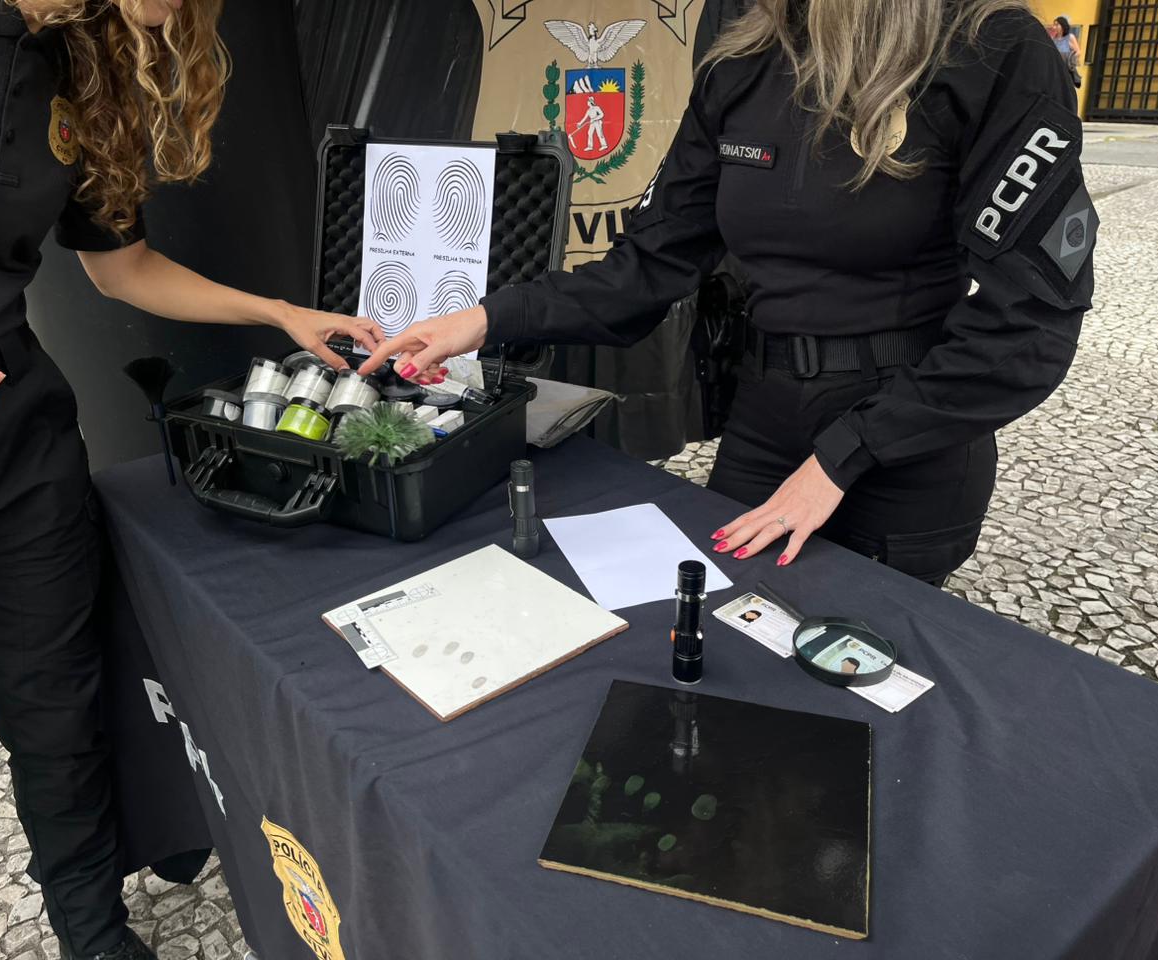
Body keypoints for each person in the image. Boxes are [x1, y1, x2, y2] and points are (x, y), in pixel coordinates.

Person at [0, 2, 381, 959]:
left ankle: (95, 933)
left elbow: (122, 270)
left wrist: (280, 313)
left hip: (17, 432)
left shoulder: (77, 63)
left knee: (61, 712)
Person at [361, 0, 1096, 586]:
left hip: (902, 447)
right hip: (764, 419)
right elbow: (646, 268)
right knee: (727, 635)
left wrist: (846, 455)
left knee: (858, 673)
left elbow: (1032, 322)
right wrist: (485, 318)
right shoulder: (742, 62)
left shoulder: (989, 48)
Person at [1049, 15, 1083, 88]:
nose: (1054, 27)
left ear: (1063, 26)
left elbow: (1078, 52)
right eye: (1054, 25)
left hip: (1066, 70)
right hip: (1056, 69)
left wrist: (1069, 60)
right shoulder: (1053, 39)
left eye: (1057, 25)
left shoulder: (1070, 37)